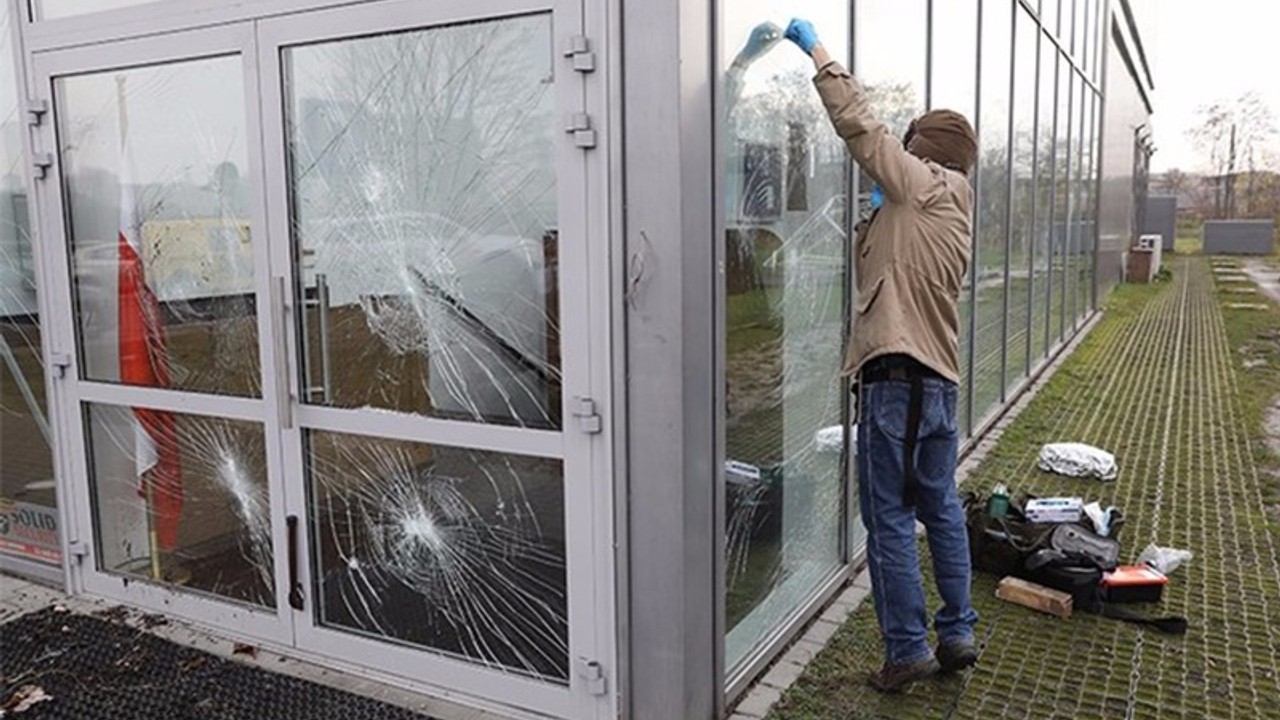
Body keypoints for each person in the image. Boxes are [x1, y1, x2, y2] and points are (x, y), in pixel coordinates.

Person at [782, 18, 981, 692]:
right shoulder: (953, 202)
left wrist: (819, 54)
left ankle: (906, 649)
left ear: (925, 151)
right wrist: (875, 215)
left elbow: (862, 128)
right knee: (942, 509)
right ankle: (957, 632)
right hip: (940, 385)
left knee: (890, 520)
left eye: (912, 143)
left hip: (894, 381)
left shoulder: (915, 184)